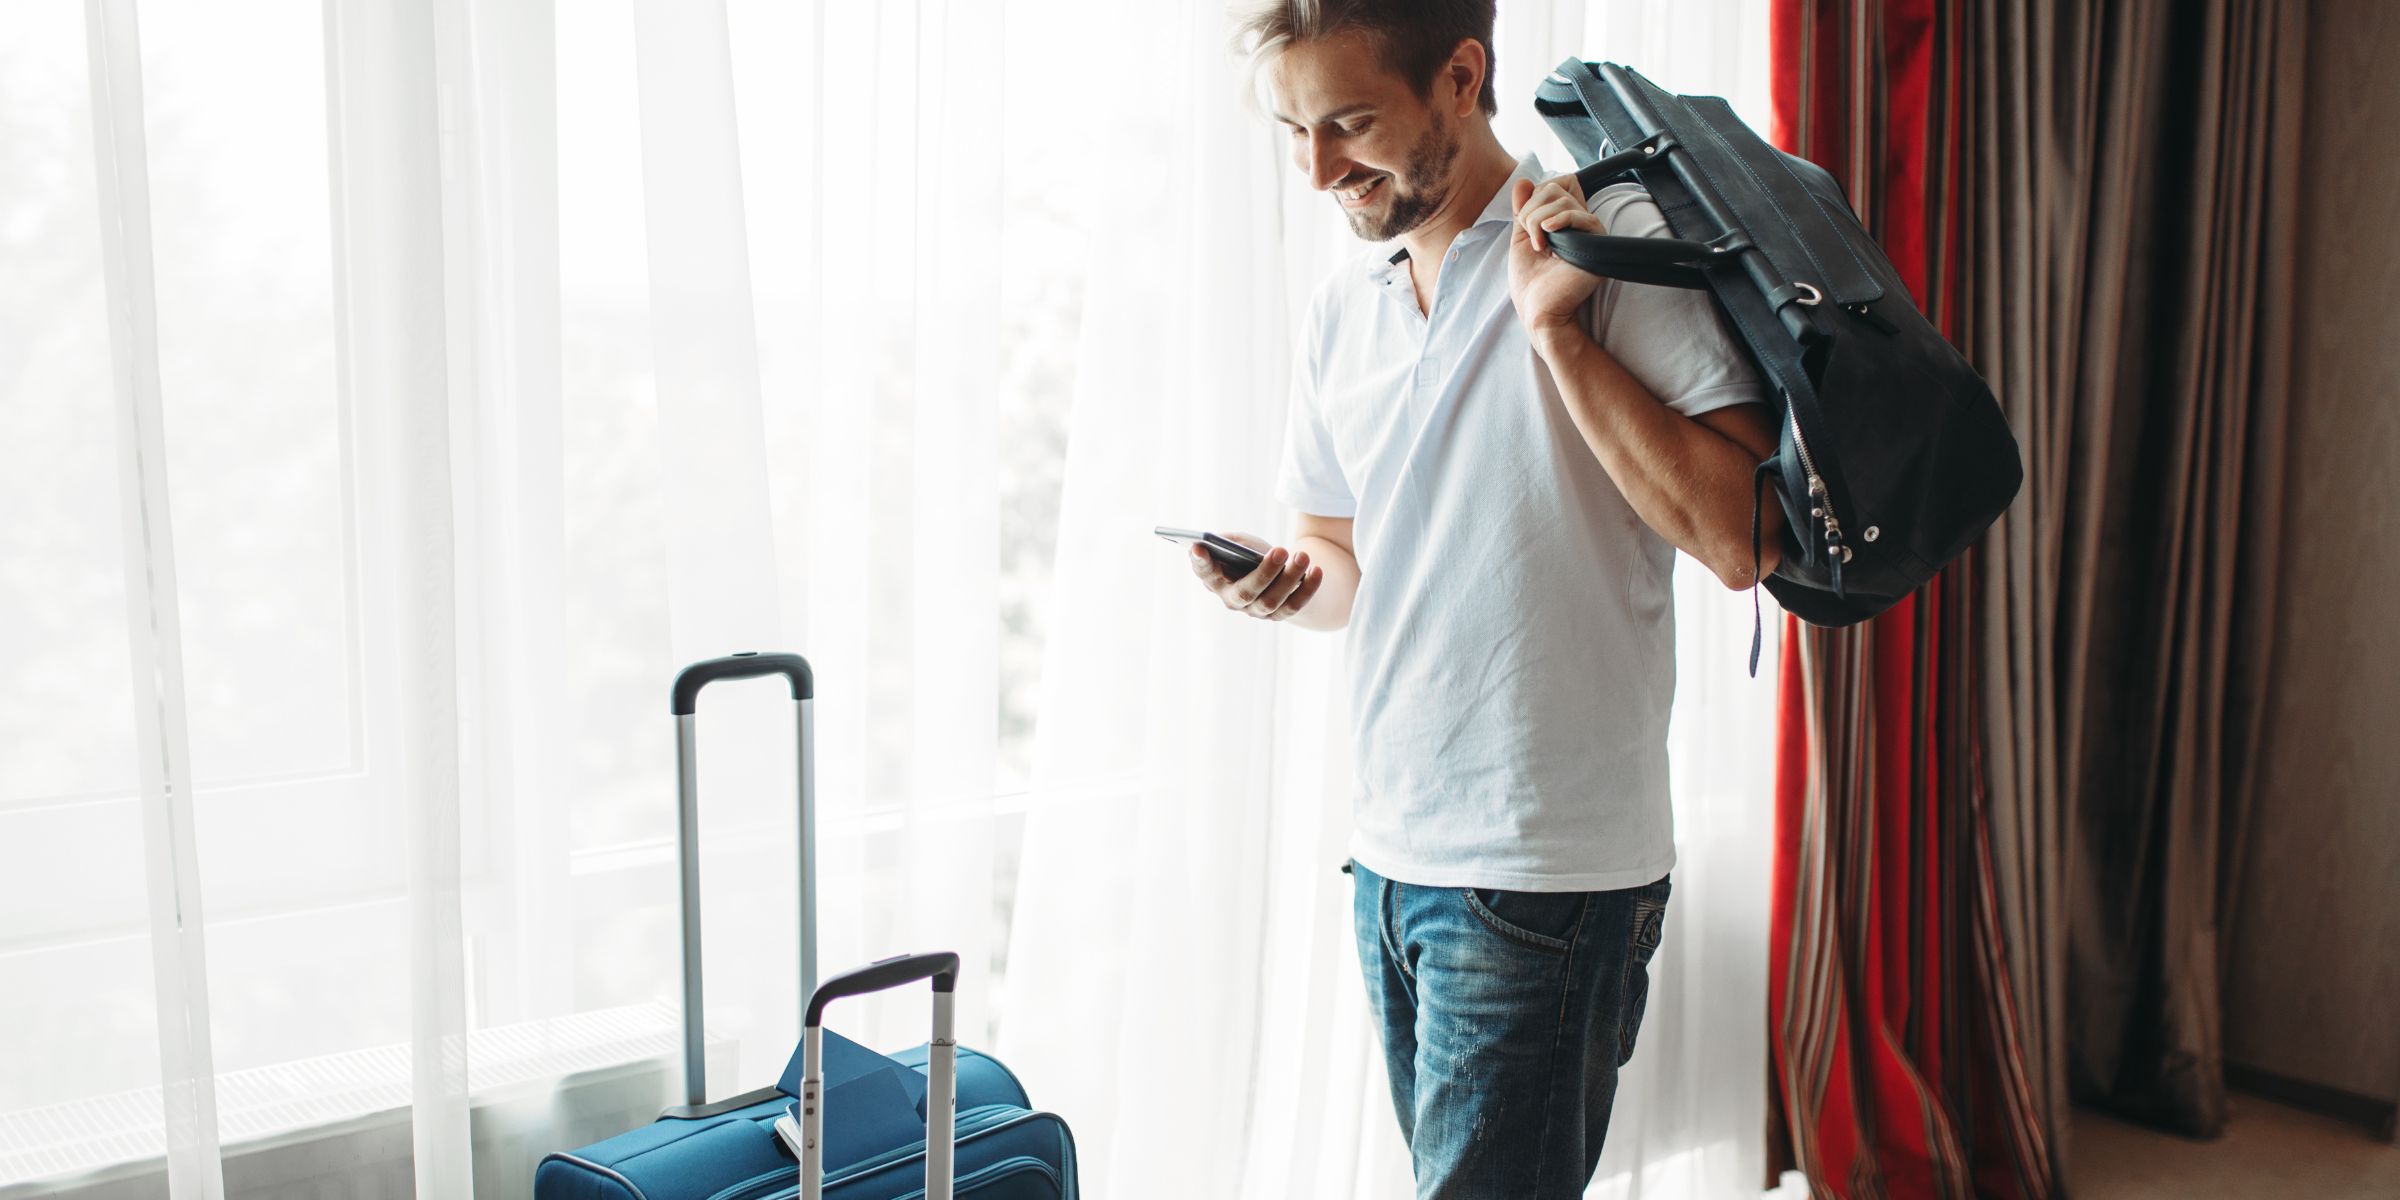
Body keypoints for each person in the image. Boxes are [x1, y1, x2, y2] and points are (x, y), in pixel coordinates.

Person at [1198, 3, 1788, 1197]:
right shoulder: (1342, 311)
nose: (1317, 171)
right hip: (1387, 859)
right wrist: (1285, 587)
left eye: (1349, 124)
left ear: (1460, 78)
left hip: (1544, 868)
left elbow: (1744, 538)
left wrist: (1556, 335)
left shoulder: (1614, 242)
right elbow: (1338, 551)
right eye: (1293, 132)